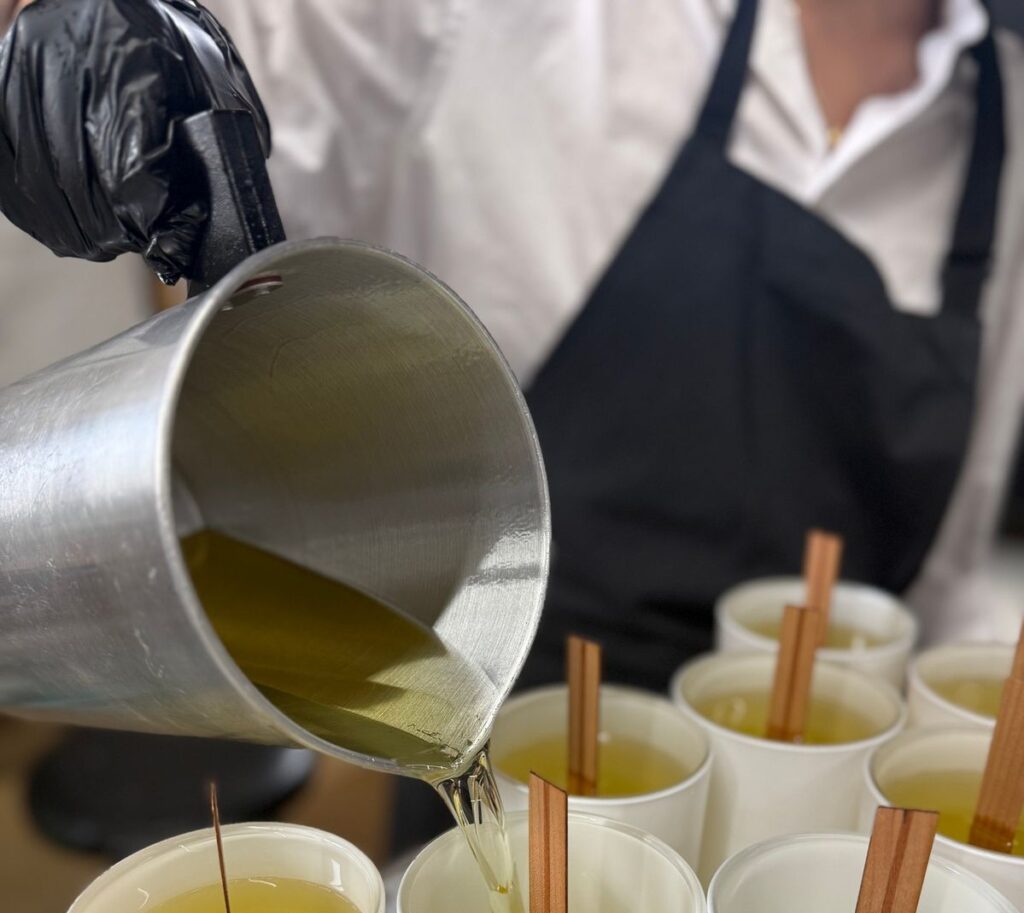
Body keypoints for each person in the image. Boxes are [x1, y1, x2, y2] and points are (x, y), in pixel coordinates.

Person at [2, 0, 1022, 684]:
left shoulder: (1008, 151)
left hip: (804, 761)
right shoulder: (520, 20)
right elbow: (249, 55)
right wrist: (122, 37)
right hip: (481, 680)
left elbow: (947, 576)